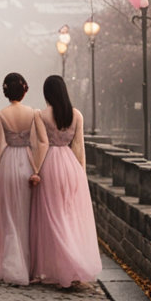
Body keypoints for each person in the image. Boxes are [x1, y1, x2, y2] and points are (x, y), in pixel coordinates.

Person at [30, 74, 101, 288]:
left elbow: (41, 145)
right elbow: (79, 147)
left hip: (51, 164)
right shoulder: (76, 115)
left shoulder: (41, 115)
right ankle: (74, 268)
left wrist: (36, 170)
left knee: (53, 217)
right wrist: (81, 172)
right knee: (70, 215)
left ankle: (62, 266)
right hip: (71, 166)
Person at [0, 72, 49, 285]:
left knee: (9, 215)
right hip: (26, 160)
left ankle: (11, 266)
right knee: (26, 215)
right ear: (24, 90)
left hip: (7, 162)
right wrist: (37, 168)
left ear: (6, 91)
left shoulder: (1, 114)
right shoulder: (33, 113)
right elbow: (42, 142)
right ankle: (28, 266)